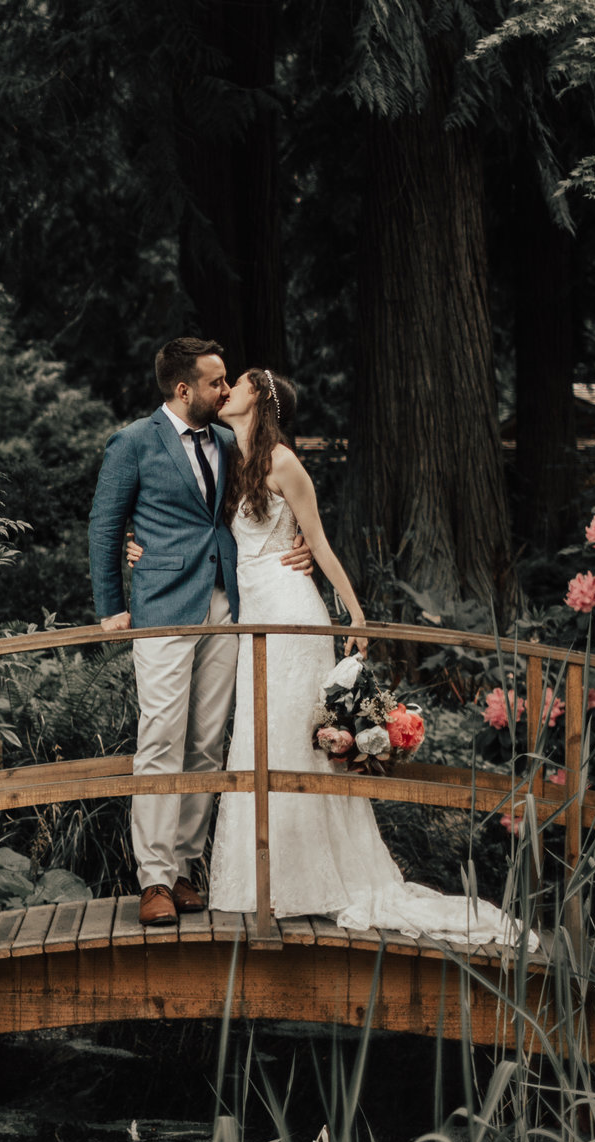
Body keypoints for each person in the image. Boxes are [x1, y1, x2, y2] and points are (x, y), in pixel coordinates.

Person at [187, 368, 529, 945]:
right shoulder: (228, 453)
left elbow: (316, 541)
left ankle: (307, 882)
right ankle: (258, 882)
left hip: (292, 612)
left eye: (238, 383)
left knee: (296, 736)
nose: (227, 391)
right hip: (253, 615)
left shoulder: (285, 463)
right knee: (256, 735)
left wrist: (356, 613)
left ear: (260, 399)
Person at [87, 337, 267, 927]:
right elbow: (105, 525)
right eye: (216, 382)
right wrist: (112, 605)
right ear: (183, 388)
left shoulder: (227, 440)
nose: (224, 390)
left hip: (223, 601)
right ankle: (154, 879)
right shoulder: (134, 442)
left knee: (207, 741)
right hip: (162, 607)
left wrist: (299, 546)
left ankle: (188, 869)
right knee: (161, 739)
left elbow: (266, 499)